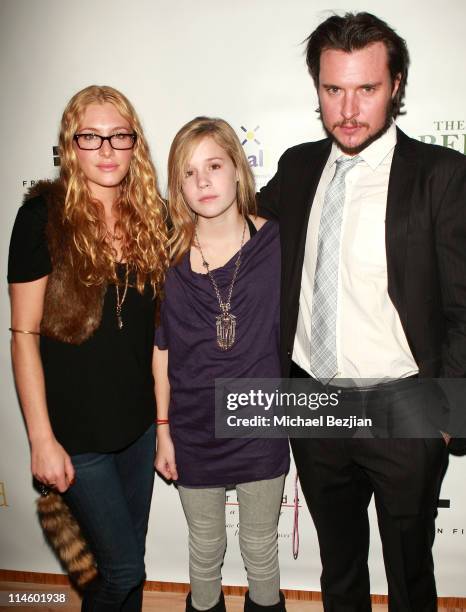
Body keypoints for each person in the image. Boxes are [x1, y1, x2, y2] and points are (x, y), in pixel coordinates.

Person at [258, 12, 466, 612]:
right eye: (333, 90)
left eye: (366, 89)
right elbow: (233, 227)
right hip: (313, 399)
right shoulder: (297, 167)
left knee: (409, 573)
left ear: (396, 85)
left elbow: (462, 306)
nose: (348, 109)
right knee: (338, 567)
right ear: (317, 88)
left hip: (404, 406)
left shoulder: (441, 176)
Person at [8, 85, 169, 611]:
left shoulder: (155, 219)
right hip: (77, 434)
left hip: (139, 426)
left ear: (135, 145)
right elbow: (24, 335)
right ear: (69, 146)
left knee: (126, 564)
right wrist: (40, 440)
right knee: (122, 571)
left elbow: (158, 339)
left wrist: (162, 427)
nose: (106, 150)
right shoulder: (41, 220)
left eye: (119, 136)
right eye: (91, 137)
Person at [154, 117, 289, 612]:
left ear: (238, 169)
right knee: (205, 551)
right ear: (178, 186)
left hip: (261, 423)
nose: (204, 181)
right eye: (189, 173)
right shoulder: (167, 260)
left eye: (214, 165)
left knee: (260, 549)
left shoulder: (277, 243)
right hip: (194, 428)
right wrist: (163, 429)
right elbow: (162, 350)